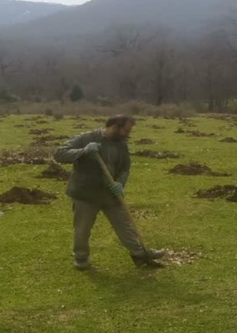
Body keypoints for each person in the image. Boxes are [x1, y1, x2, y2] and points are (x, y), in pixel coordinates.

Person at [54, 115, 164, 270]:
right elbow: (59, 154)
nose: (128, 134)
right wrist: (83, 151)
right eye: (126, 130)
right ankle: (81, 258)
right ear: (114, 126)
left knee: (124, 225)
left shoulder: (121, 144)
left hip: (110, 193)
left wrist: (120, 183)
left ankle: (140, 254)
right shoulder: (86, 138)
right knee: (82, 229)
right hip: (86, 193)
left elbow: (125, 167)